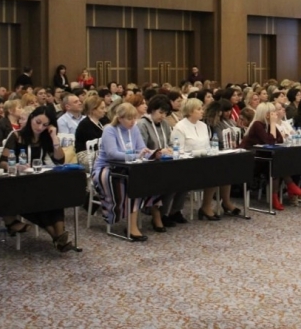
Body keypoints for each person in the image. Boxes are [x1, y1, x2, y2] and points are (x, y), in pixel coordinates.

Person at [0, 106, 76, 252]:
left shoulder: (46, 138)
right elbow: (1, 162)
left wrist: (54, 138)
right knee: (37, 199)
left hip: (38, 181)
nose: (40, 127)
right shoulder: (16, 136)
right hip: (18, 183)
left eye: (45, 125)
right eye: (38, 122)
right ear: (31, 119)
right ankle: (57, 237)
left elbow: (59, 160)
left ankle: (59, 235)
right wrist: (15, 166)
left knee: (55, 196)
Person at [92, 103, 162, 242]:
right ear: (119, 118)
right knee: (132, 182)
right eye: (129, 119)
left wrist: (152, 154)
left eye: (134, 118)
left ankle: (150, 216)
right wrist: (137, 156)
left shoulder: (134, 128)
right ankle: (131, 226)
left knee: (151, 177)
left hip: (129, 167)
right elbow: (112, 154)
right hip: (106, 168)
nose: (133, 122)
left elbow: (141, 149)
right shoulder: (109, 130)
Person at [240, 102, 301, 211]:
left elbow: (280, 139)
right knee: (275, 164)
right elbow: (270, 142)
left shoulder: (267, 124)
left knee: (276, 163)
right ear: (267, 114)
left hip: (264, 158)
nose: (275, 114)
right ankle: (289, 188)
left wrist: (273, 126)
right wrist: (273, 124)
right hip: (251, 160)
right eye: (273, 113)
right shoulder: (257, 124)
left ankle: (279, 195)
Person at [137, 95, 188, 228]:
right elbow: (141, 148)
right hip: (149, 165)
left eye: (165, 113)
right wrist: (158, 151)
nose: (163, 116)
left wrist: (170, 149)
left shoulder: (164, 124)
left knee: (185, 179)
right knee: (169, 183)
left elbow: (170, 143)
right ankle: (161, 214)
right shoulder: (142, 124)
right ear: (152, 110)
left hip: (165, 163)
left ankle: (174, 211)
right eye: (160, 112)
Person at [171, 98, 220, 221]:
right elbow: (179, 151)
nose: (202, 111)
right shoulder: (180, 127)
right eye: (199, 109)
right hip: (186, 163)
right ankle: (174, 210)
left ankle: (206, 206)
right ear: (190, 111)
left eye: (202, 108)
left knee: (218, 172)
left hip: (203, 162)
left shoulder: (203, 125)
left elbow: (208, 145)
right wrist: (200, 152)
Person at [201, 100, 242, 216]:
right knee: (216, 172)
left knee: (227, 171)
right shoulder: (210, 124)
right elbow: (219, 138)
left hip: (220, 152)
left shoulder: (227, 122)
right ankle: (206, 206)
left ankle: (226, 202)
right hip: (208, 154)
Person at [74, 95, 108, 169]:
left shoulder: (101, 121)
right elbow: (95, 144)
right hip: (85, 155)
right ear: (93, 110)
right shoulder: (85, 124)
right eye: (102, 108)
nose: (105, 110)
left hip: (97, 152)